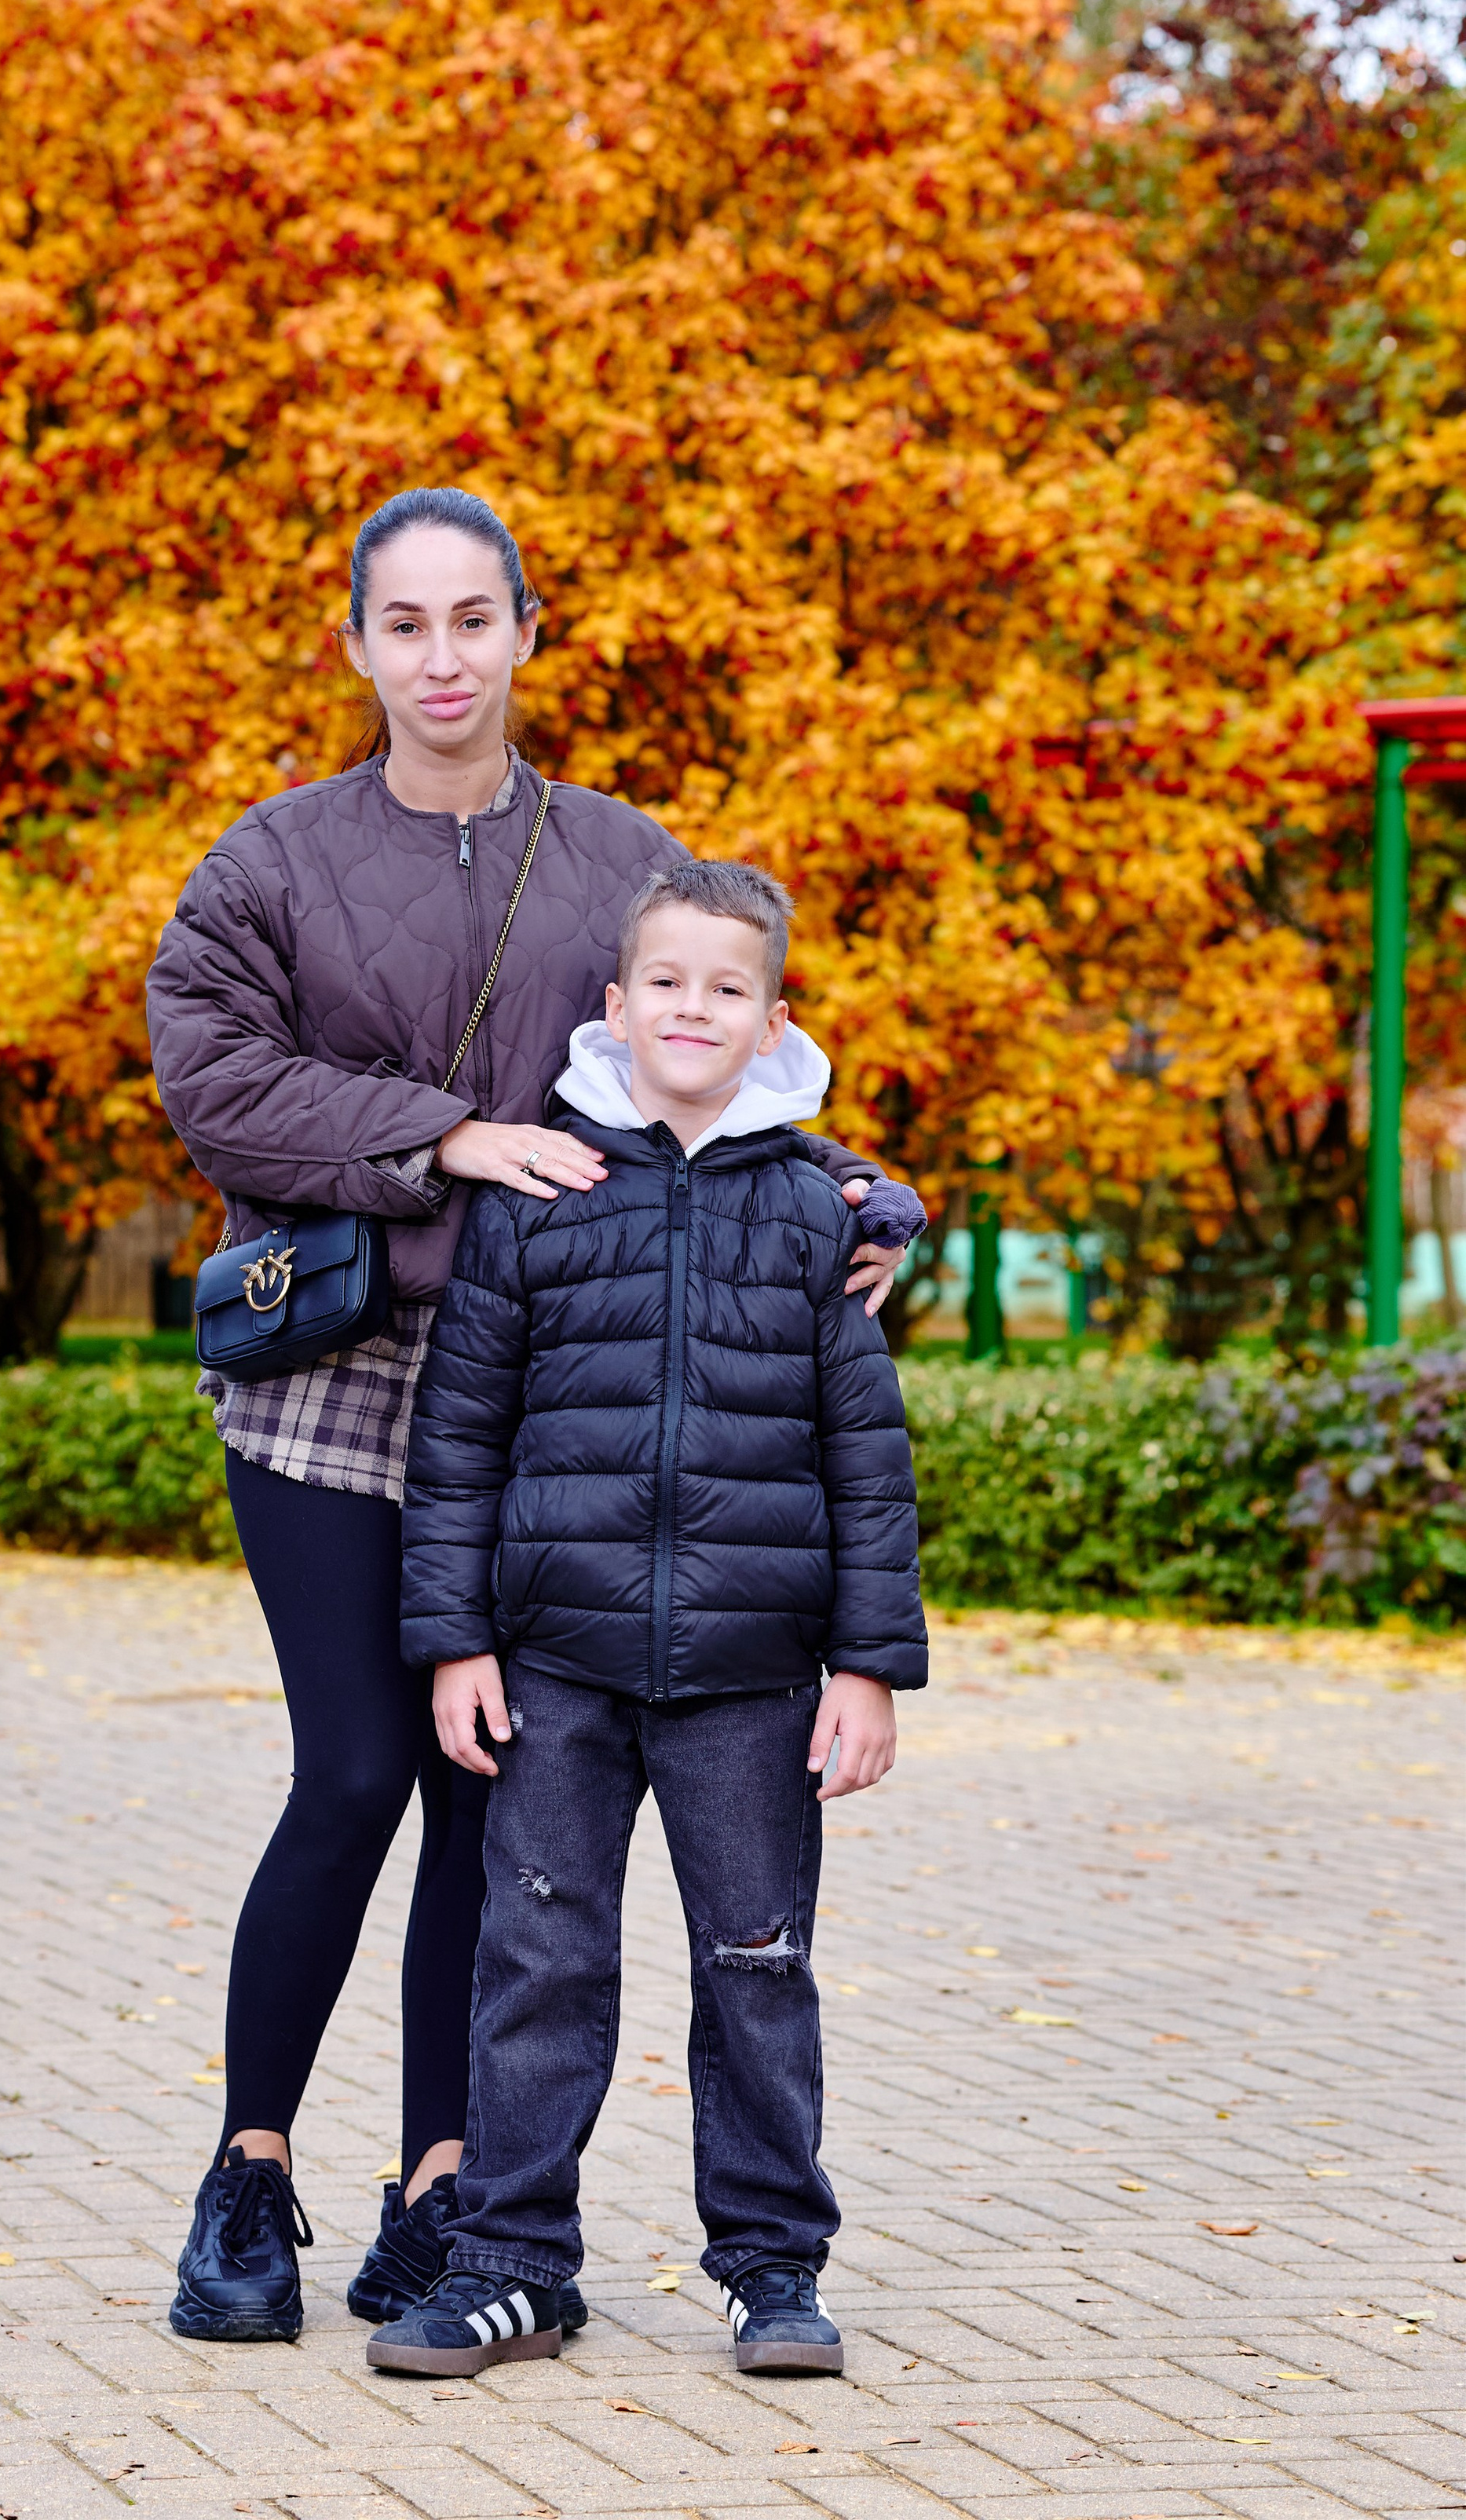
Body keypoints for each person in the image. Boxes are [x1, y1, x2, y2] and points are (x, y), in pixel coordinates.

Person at [144, 489, 914, 2346]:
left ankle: (445, 2188)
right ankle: (248, 2174)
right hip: (338, 1383)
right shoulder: (269, 862)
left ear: (525, 631)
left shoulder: (615, 858)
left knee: (486, 1807)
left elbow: (705, 1043)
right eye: (400, 625)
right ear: (351, 645)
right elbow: (210, 1074)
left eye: (471, 620)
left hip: (556, 1394)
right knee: (353, 1774)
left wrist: (862, 1201)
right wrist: (438, 1140)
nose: (438, 659)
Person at [368, 854, 927, 2380]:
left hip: (752, 1670)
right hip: (553, 1662)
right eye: (665, 983)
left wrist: (870, 1665)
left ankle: (768, 2266)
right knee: (535, 1966)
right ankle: (510, 2263)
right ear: (614, 1006)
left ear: (770, 1019)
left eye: (726, 989)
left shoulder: (822, 1216)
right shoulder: (543, 1193)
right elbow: (459, 1432)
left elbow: (863, 1462)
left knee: (755, 1963)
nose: (693, 1008)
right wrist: (455, 1640)